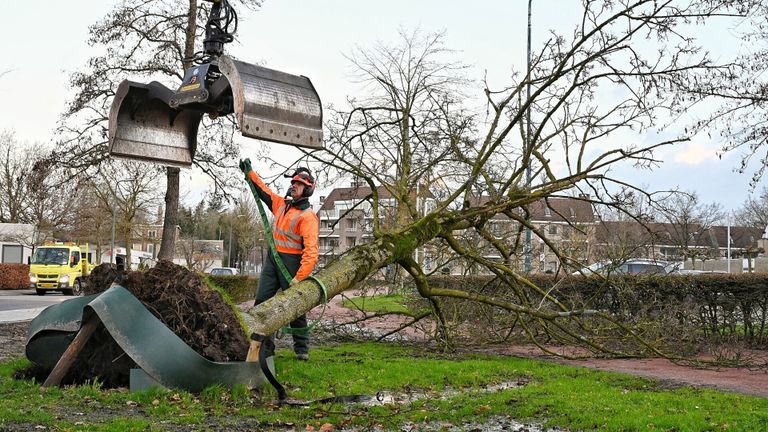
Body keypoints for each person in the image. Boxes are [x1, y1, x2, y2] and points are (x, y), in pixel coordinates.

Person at [239, 159, 319, 361]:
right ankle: (266, 350)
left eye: (298, 184)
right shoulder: (282, 205)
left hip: (292, 265)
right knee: (262, 303)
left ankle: (302, 349)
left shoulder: (308, 217)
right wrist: (250, 174)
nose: (293, 186)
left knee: (295, 308)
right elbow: (264, 191)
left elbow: (311, 252)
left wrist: (299, 278)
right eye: (293, 183)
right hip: (272, 260)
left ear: (308, 189)